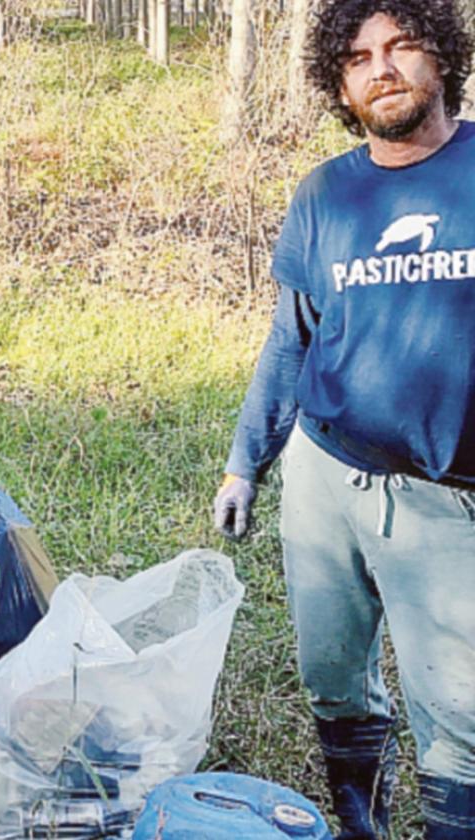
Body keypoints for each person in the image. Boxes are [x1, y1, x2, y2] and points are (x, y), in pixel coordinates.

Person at [211, 0, 475, 835]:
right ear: (341, 83)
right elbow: (290, 341)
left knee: (460, 712)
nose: (382, 68)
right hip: (323, 473)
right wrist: (243, 462)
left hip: (444, 494)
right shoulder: (325, 192)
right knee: (328, 671)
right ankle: (357, 814)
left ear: (444, 60)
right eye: (359, 58)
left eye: (401, 48)